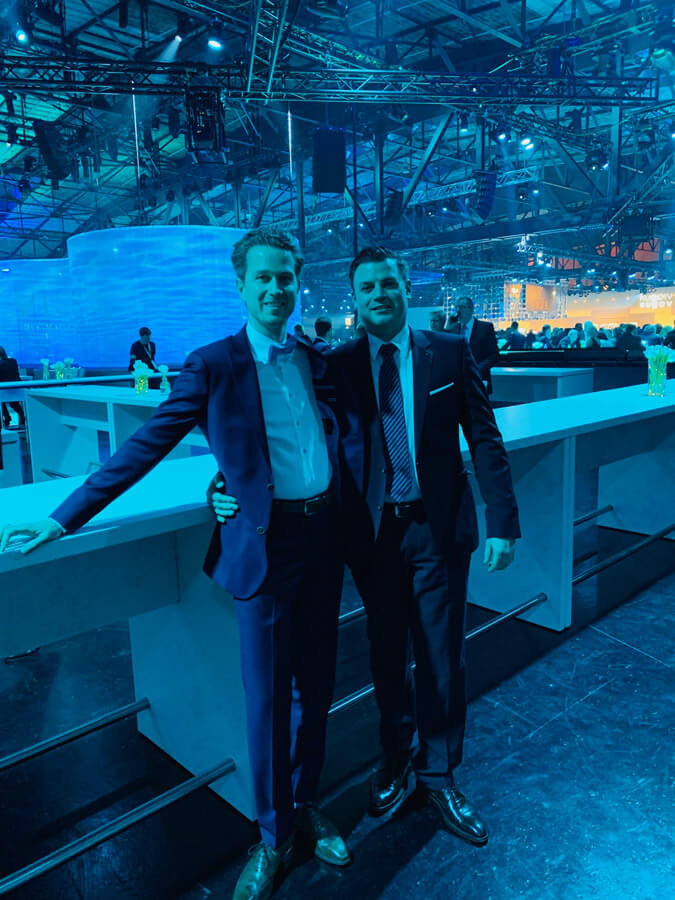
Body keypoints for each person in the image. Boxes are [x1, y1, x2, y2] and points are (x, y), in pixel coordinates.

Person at [0, 228, 362, 900]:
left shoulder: (315, 359)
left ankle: (306, 804)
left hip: (323, 541)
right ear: (241, 285)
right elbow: (146, 445)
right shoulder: (213, 364)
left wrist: (235, 483)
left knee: (316, 688)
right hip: (267, 549)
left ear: (297, 282)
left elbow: (338, 439)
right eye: (263, 278)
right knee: (265, 700)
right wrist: (63, 517)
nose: (276, 288)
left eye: (285, 277)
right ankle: (274, 835)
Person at [212, 245, 521, 849]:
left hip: (438, 529)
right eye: (367, 288)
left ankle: (440, 774)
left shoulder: (449, 353)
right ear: (354, 299)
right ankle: (396, 759)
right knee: (385, 656)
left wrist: (503, 521)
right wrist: (222, 481)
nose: (379, 294)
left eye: (388, 284)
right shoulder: (336, 365)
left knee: (441, 657)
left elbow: (484, 439)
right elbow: (283, 430)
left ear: (406, 287)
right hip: (372, 537)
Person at [444, 296, 500, 393]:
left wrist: (476, 370)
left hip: (479, 379)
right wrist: (447, 329)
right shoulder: (453, 329)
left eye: (462, 307)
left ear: (471, 309)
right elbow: (445, 352)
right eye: (456, 307)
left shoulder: (485, 328)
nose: (458, 311)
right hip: (457, 382)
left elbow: (493, 355)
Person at [0, 346, 26, 429]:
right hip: (17, 390)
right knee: (14, 403)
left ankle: (6, 417)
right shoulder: (13, 361)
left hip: (5, 391)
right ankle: (21, 415)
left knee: (1, 400)